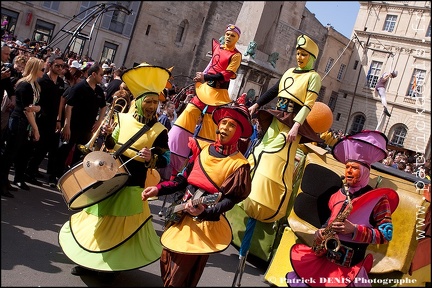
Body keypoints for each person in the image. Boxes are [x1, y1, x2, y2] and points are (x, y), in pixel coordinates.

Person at [58, 63, 172, 280]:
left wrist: (153, 158)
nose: (152, 106)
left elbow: (166, 159)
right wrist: (108, 135)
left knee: (121, 228)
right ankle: (86, 260)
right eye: (148, 101)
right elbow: (111, 147)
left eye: (155, 102)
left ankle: (112, 266)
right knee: (98, 221)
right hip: (110, 177)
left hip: (134, 184)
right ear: (138, 102)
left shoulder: (160, 131)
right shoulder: (123, 119)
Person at [142, 103, 253, 287]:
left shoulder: (239, 165)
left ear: (239, 133)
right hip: (180, 215)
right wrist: (159, 189)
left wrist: (204, 212)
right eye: (223, 123)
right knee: (166, 260)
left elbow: (231, 199)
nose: (225, 127)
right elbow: (182, 180)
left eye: (231, 125)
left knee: (179, 276)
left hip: (204, 225)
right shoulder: (202, 151)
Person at [286, 130, 399, 287]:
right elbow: (329, 221)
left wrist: (354, 230)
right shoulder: (337, 194)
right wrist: (321, 232)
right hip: (324, 261)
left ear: (365, 171)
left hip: (350, 270)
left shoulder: (378, 200)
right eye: (347, 167)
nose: (348, 172)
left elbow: (386, 235)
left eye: (354, 168)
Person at [246, 34, 324, 223]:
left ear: (311, 58)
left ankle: (268, 204)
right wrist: (257, 104)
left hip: (291, 124)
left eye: (304, 55)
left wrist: (296, 126)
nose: (299, 57)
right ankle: (246, 192)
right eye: (298, 53)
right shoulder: (289, 72)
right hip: (277, 118)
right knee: (258, 152)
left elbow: (308, 104)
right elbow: (274, 90)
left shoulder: (313, 77)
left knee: (274, 158)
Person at [167, 23, 242, 179]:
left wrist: (205, 77)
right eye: (227, 34)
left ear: (237, 39)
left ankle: (199, 166)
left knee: (209, 126)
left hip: (218, 95)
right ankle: (174, 162)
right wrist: (202, 77)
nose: (228, 37)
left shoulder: (236, 55)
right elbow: (210, 66)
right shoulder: (218, 48)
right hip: (204, 90)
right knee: (187, 115)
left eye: (232, 36)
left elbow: (226, 75)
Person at [53, 63, 107, 180]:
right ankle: (54, 175)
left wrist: (99, 121)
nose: (102, 77)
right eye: (101, 74)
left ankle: (71, 177)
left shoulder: (99, 90)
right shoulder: (79, 87)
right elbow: (69, 106)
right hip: (74, 126)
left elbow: (103, 106)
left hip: (88, 128)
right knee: (64, 150)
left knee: (79, 154)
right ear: (93, 74)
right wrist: (66, 125)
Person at [0, 57, 44, 197]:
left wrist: (37, 108)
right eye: (42, 69)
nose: (44, 71)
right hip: (18, 121)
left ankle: (5, 182)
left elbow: (34, 107)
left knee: (14, 154)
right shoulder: (24, 85)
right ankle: (2, 184)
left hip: (24, 122)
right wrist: (36, 129)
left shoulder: (35, 85)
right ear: (35, 69)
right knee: (9, 154)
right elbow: (27, 109)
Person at [25, 56, 66, 185]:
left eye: (62, 66)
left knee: (45, 147)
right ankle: (28, 172)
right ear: (50, 65)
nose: (60, 68)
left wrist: (59, 120)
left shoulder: (60, 82)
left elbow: (60, 102)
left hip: (53, 120)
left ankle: (32, 170)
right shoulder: (42, 80)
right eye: (57, 65)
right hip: (41, 117)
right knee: (37, 146)